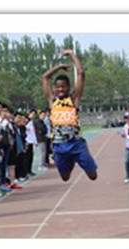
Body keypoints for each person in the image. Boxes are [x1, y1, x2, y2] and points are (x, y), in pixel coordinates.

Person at [42, 49, 98, 183]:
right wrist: (59, 67)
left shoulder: (73, 100)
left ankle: (76, 156)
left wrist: (72, 54)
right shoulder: (52, 101)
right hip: (59, 145)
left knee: (93, 176)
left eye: (63, 87)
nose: (60, 89)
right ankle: (71, 160)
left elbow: (81, 73)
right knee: (65, 177)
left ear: (68, 88)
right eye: (58, 87)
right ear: (54, 89)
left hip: (76, 143)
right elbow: (45, 77)